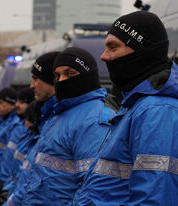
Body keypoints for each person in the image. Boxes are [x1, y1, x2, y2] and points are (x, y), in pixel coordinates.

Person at [75, 11, 178, 205]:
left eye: (113, 47)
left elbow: (154, 197)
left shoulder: (157, 110)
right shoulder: (137, 105)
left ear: (142, 52)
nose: (104, 57)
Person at [22, 47, 115, 205]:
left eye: (70, 73)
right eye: (57, 76)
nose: (62, 80)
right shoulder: (60, 114)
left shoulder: (95, 119)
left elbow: (93, 188)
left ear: (88, 75)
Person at [5, 51, 60, 206]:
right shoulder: (46, 120)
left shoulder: (59, 122)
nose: (31, 86)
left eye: (36, 79)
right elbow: (26, 171)